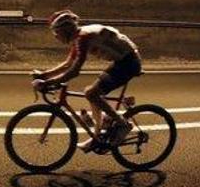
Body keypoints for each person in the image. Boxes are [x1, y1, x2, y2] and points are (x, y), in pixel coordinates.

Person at [33, 9, 141, 152]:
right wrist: (44, 75)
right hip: (122, 60)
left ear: (65, 30)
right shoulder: (78, 37)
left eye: (56, 32)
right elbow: (68, 63)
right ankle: (98, 136)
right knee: (91, 93)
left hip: (129, 63)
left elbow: (74, 70)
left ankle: (122, 124)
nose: (56, 36)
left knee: (92, 93)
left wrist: (48, 83)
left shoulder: (83, 37)